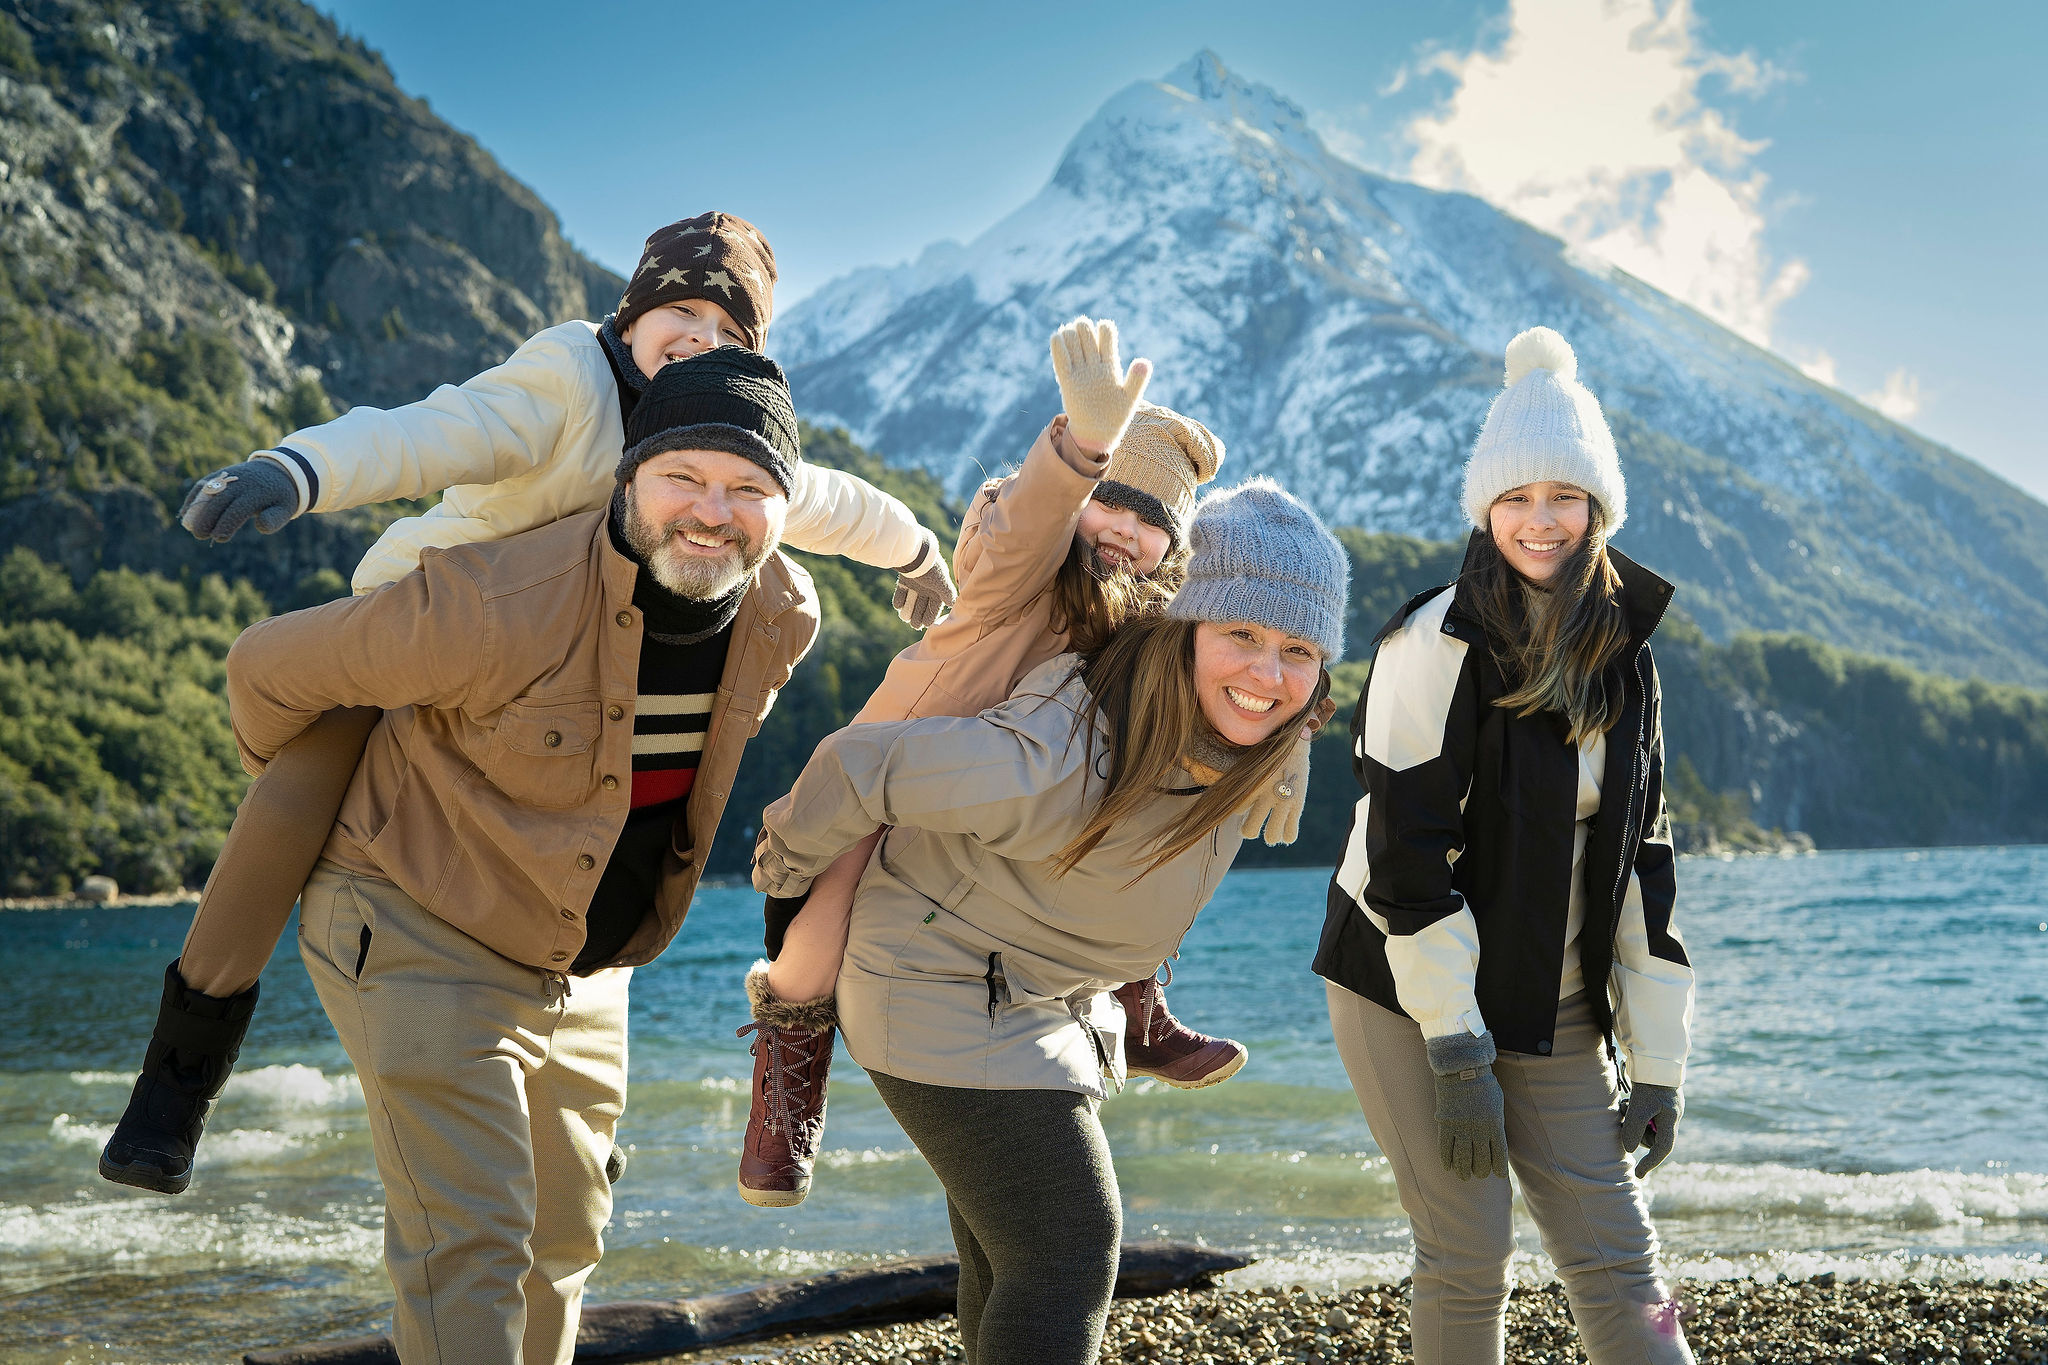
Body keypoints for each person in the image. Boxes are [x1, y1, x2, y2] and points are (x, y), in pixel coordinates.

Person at [99, 212, 955, 1196]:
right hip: (426, 628)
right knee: (307, 782)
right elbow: (431, 432)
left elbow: (833, 503)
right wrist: (296, 471)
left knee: (603, 832)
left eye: (729, 333)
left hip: (571, 666)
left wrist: (922, 555)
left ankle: (565, 1121)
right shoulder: (569, 380)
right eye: (679, 310)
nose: (699, 338)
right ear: (631, 311)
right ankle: (178, 1080)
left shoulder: (719, 445)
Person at [193, 349, 826, 1365]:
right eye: (684, 478)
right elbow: (268, 667)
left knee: (566, 1236)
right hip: (412, 916)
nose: (713, 512)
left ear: (787, 506)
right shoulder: (493, 603)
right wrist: (319, 795)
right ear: (629, 480)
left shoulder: (781, 615)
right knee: (471, 1243)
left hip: (581, 953)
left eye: (748, 488)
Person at [754, 478, 1348, 1364]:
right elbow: (859, 764)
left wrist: (1292, 745)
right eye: (1241, 635)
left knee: (1010, 1259)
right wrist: (786, 870)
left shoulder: (1245, 732)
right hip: (936, 984)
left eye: (1297, 649)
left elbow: (1272, 697)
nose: (1267, 674)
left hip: (1042, 997)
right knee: (1071, 1242)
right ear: (1183, 628)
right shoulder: (1060, 756)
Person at [735, 318, 1289, 1209]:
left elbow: (1238, 671)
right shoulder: (1019, 565)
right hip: (900, 775)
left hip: (1009, 803)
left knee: (1148, 825)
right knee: (820, 927)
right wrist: (1082, 449)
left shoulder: (1143, 619)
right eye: (1109, 501)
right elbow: (1031, 519)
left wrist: (1286, 752)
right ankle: (789, 1077)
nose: (1121, 530)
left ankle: (1136, 1003)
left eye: (1149, 524)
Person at [1313, 327, 1695, 1365]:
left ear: (1596, 510)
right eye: (1515, 498)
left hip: (1551, 997)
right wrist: (1453, 1046)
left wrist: (1655, 1065)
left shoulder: (1626, 660)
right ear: (1485, 507)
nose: (1538, 521)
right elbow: (1404, 858)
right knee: (1466, 1252)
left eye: (1561, 498)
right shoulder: (1429, 642)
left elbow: (1639, 869)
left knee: (1620, 1262)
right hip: (1403, 990)